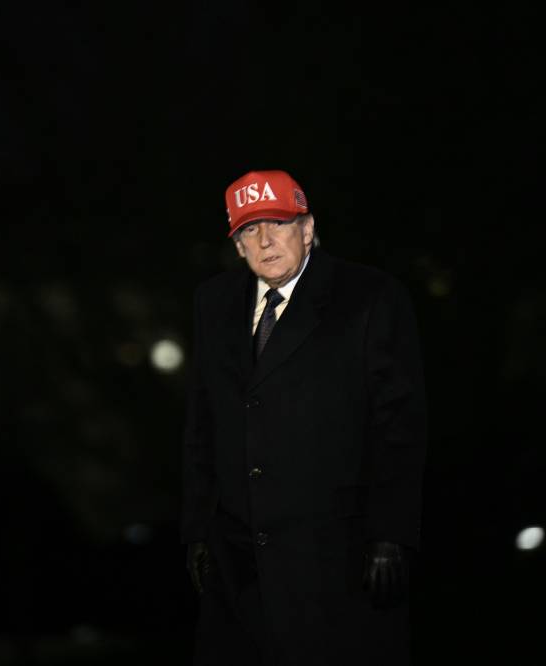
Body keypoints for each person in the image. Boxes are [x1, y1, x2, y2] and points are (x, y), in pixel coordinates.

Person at [181, 169, 428, 666]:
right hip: (238, 565)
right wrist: (195, 529)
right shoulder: (215, 303)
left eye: (278, 223)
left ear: (308, 228)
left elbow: (398, 425)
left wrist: (391, 532)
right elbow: (202, 420)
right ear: (236, 245)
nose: (266, 240)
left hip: (334, 562)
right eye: (250, 229)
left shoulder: (368, 296)